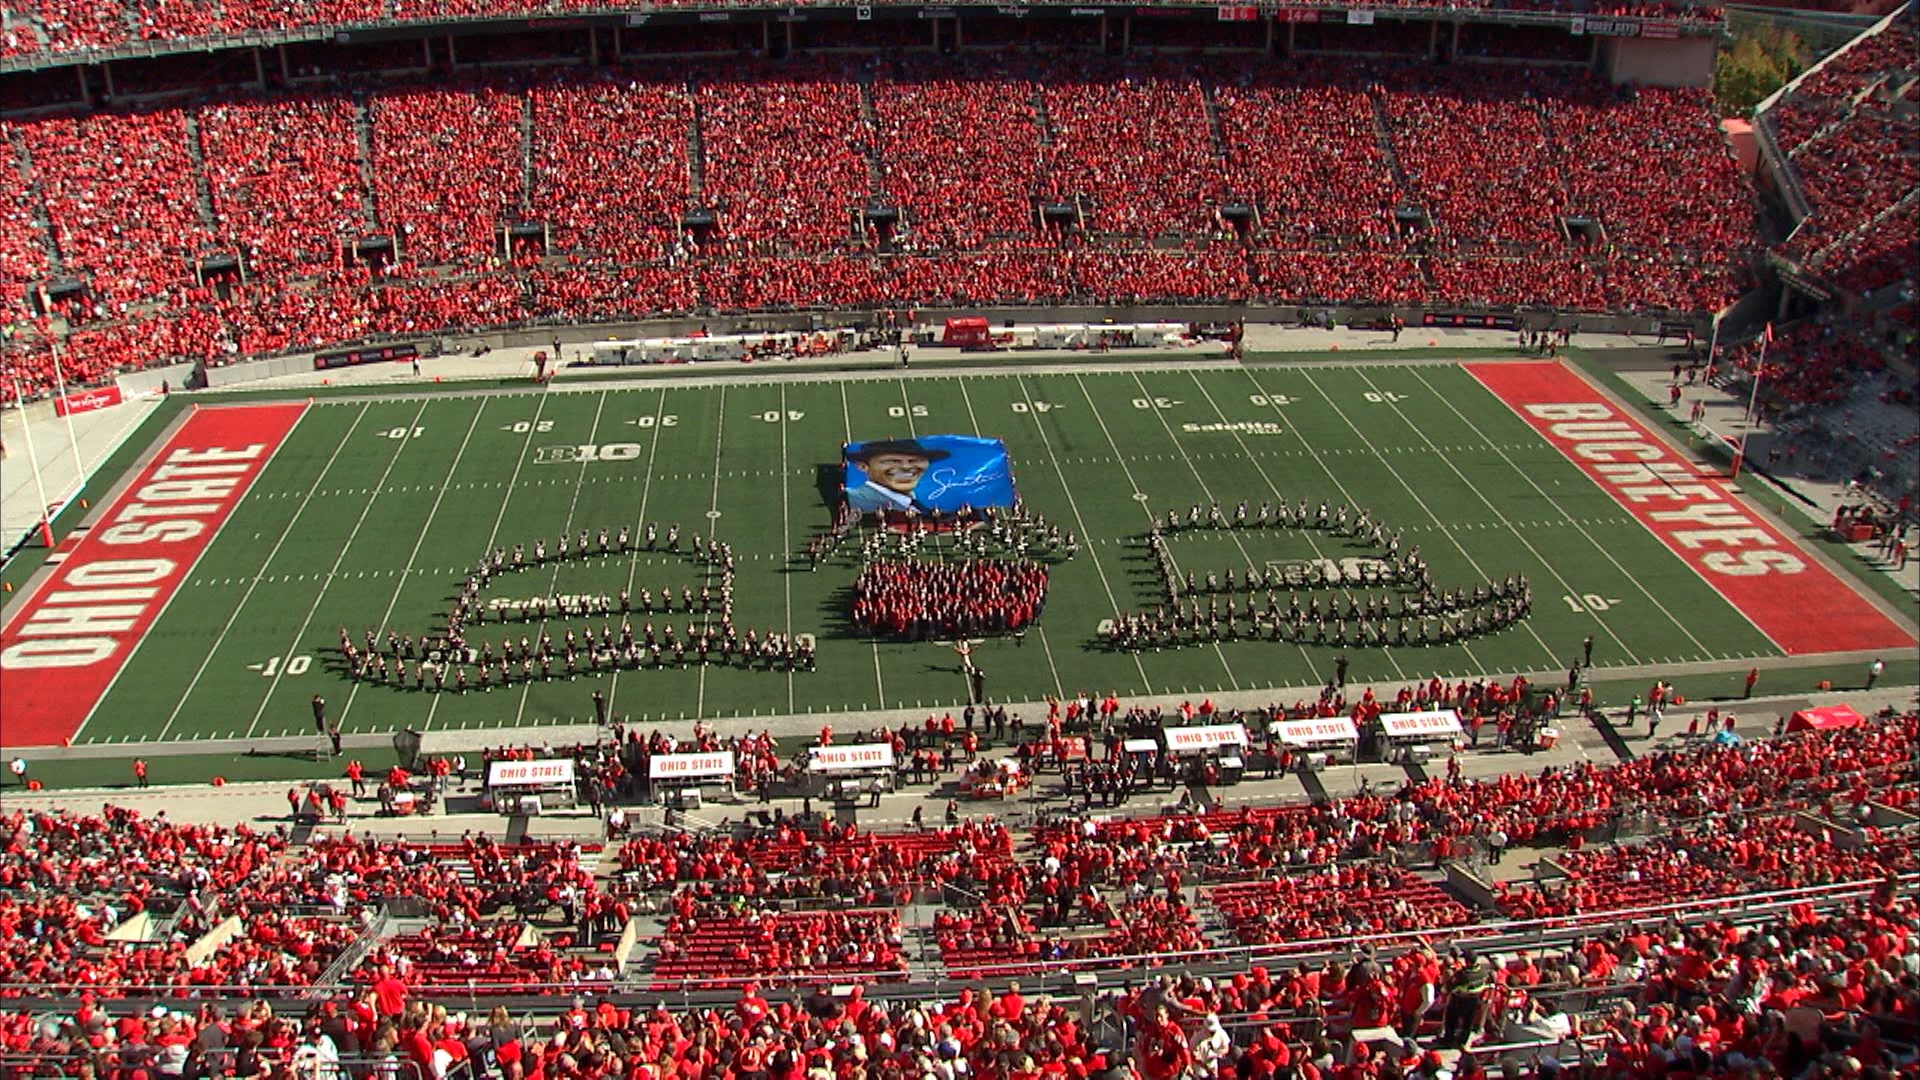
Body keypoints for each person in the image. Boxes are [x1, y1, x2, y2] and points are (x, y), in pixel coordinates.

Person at [844, 439, 950, 514]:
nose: (906, 467)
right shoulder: (857, 499)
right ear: (863, 466)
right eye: (892, 461)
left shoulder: (917, 503)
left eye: (915, 461)